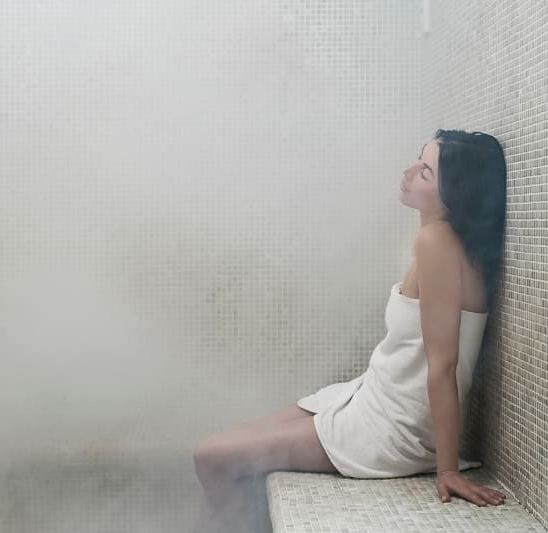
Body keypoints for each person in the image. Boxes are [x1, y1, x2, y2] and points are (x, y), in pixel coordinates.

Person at [192, 130, 508, 533]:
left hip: (391, 429)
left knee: (210, 457)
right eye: (418, 159)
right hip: (371, 395)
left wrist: (447, 470)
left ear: (453, 196)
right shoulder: (439, 240)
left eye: (425, 171)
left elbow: (443, 366)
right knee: (227, 448)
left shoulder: (437, 244)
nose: (409, 171)